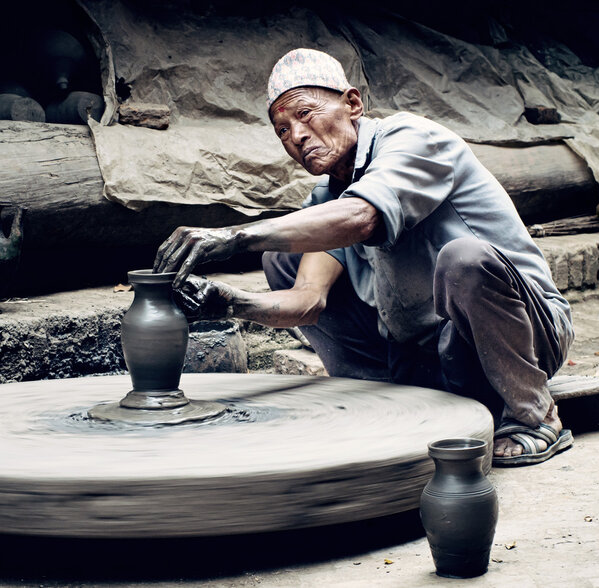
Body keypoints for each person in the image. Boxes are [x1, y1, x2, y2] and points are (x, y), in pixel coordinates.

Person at [154, 48, 574, 466]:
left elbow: (363, 217)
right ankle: (382, 397)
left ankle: (534, 416)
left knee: (464, 259)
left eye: (305, 114)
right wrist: (228, 302)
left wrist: (233, 237)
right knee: (283, 259)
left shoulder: (414, 139)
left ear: (352, 103)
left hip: (530, 336)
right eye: (282, 130)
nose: (295, 136)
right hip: (431, 355)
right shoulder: (328, 196)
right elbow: (307, 301)